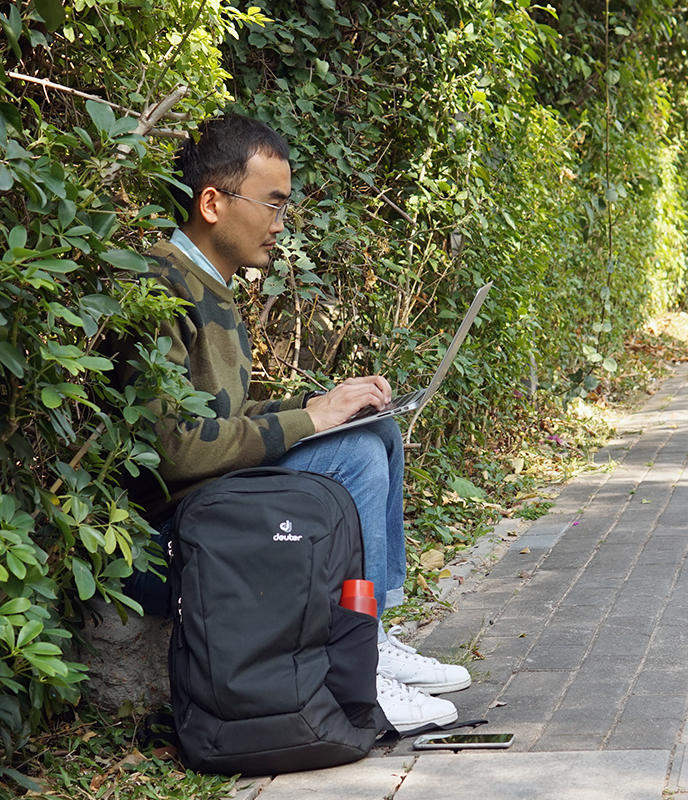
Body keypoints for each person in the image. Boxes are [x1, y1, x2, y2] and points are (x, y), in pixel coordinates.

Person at [120, 114, 470, 731]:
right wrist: (310, 422)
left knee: (375, 431)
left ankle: (374, 634)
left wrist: (322, 407)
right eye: (273, 203)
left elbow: (223, 420)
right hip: (166, 541)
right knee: (356, 455)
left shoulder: (211, 287)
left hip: (211, 508)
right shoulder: (157, 287)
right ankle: (360, 663)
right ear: (212, 202)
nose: (282, 223)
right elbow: (173, 450)